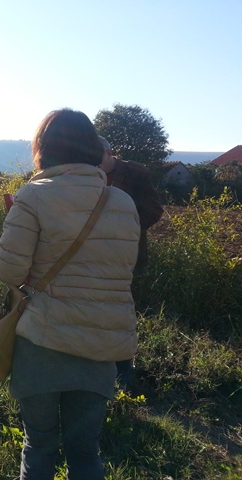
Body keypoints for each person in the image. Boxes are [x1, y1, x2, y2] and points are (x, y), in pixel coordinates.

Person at [0, 109, 140, 479]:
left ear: (43, 148)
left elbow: (9, 272)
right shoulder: (123, 203)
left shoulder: (33, 196)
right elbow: (124, 270)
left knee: (39, 446)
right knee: (85, 453)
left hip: (43, 343)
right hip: (102, 346)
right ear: (92, 148)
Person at [98, 135, 163, 388]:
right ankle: (98, 361)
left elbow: (153, 210)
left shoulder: (136, 173)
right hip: (92, 254)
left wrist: (124, 230)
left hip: (124, 253)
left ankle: (123, 371)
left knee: (120, 311)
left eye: (96, 157)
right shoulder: (86, 173)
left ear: (109, 153)